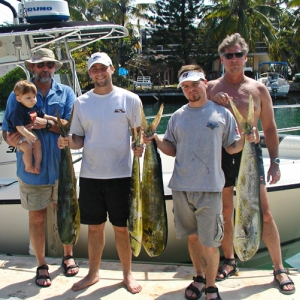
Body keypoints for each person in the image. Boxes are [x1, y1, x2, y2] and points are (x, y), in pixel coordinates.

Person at [144, 65, 255, 300]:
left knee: (211, 243)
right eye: (185, 87)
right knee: (193, 237)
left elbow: (232, 147)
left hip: (210, 189)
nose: (190, 90)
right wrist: (155, 138)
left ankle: (212, 285)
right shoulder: (177, 116)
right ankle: (198, 277)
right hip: (181, 189)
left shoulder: (222, 114)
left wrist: (247, 139)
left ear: (206, 82)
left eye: (195, 84)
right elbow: (171, 149)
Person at [207, 33, 295, 295]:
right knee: (226, 212)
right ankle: (230, 261)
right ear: (222, 59)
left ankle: (279, 268)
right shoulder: (210, 88)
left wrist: (275, 162)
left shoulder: (258, 89)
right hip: (221, 155)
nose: (233, 60)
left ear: (246, 57)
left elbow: (269, 127)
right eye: (228, 55)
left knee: (264, 213)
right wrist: (213, 101)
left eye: (238, 55)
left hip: (250, 155)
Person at [57, 52, 143, 294]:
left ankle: (127, 274)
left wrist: (140, 147)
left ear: (112, 69)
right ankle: (93, 274)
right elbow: (78, 140)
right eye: (94, 69)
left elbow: (138, 136)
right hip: (91, 176)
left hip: (122, 176)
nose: (99, 73)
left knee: (122, 228)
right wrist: (66, 142)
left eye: (102, 68)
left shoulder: (130, 99)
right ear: (89, 73)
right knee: (94, 227)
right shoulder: (81, 103)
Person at [2, 48, 79, 287]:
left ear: (54, 67)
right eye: (40, 65)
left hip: (61, 168)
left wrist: (47, 123)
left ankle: (68, 256)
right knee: (36, 219)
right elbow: (7, 127)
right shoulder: (17, 93)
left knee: (65, 214)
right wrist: (10, 139)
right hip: (32, 172)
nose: (45, 69)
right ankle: (41, 264)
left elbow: (71, 124)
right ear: (32, 68)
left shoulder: (66, 93)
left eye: (49, 65)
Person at [6, 80, 58, 174]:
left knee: (37, 144)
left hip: (28, 131)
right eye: (28, 97)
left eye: (34, 97)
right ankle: (28, 166)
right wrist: (28, 135)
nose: (32, 100)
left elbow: (43, 115)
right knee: (27, 148)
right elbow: (19, 126)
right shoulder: (17, 110)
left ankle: (37, 164)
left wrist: (54, 119)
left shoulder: (33, 106)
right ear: (19, 98)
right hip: (18, 133)